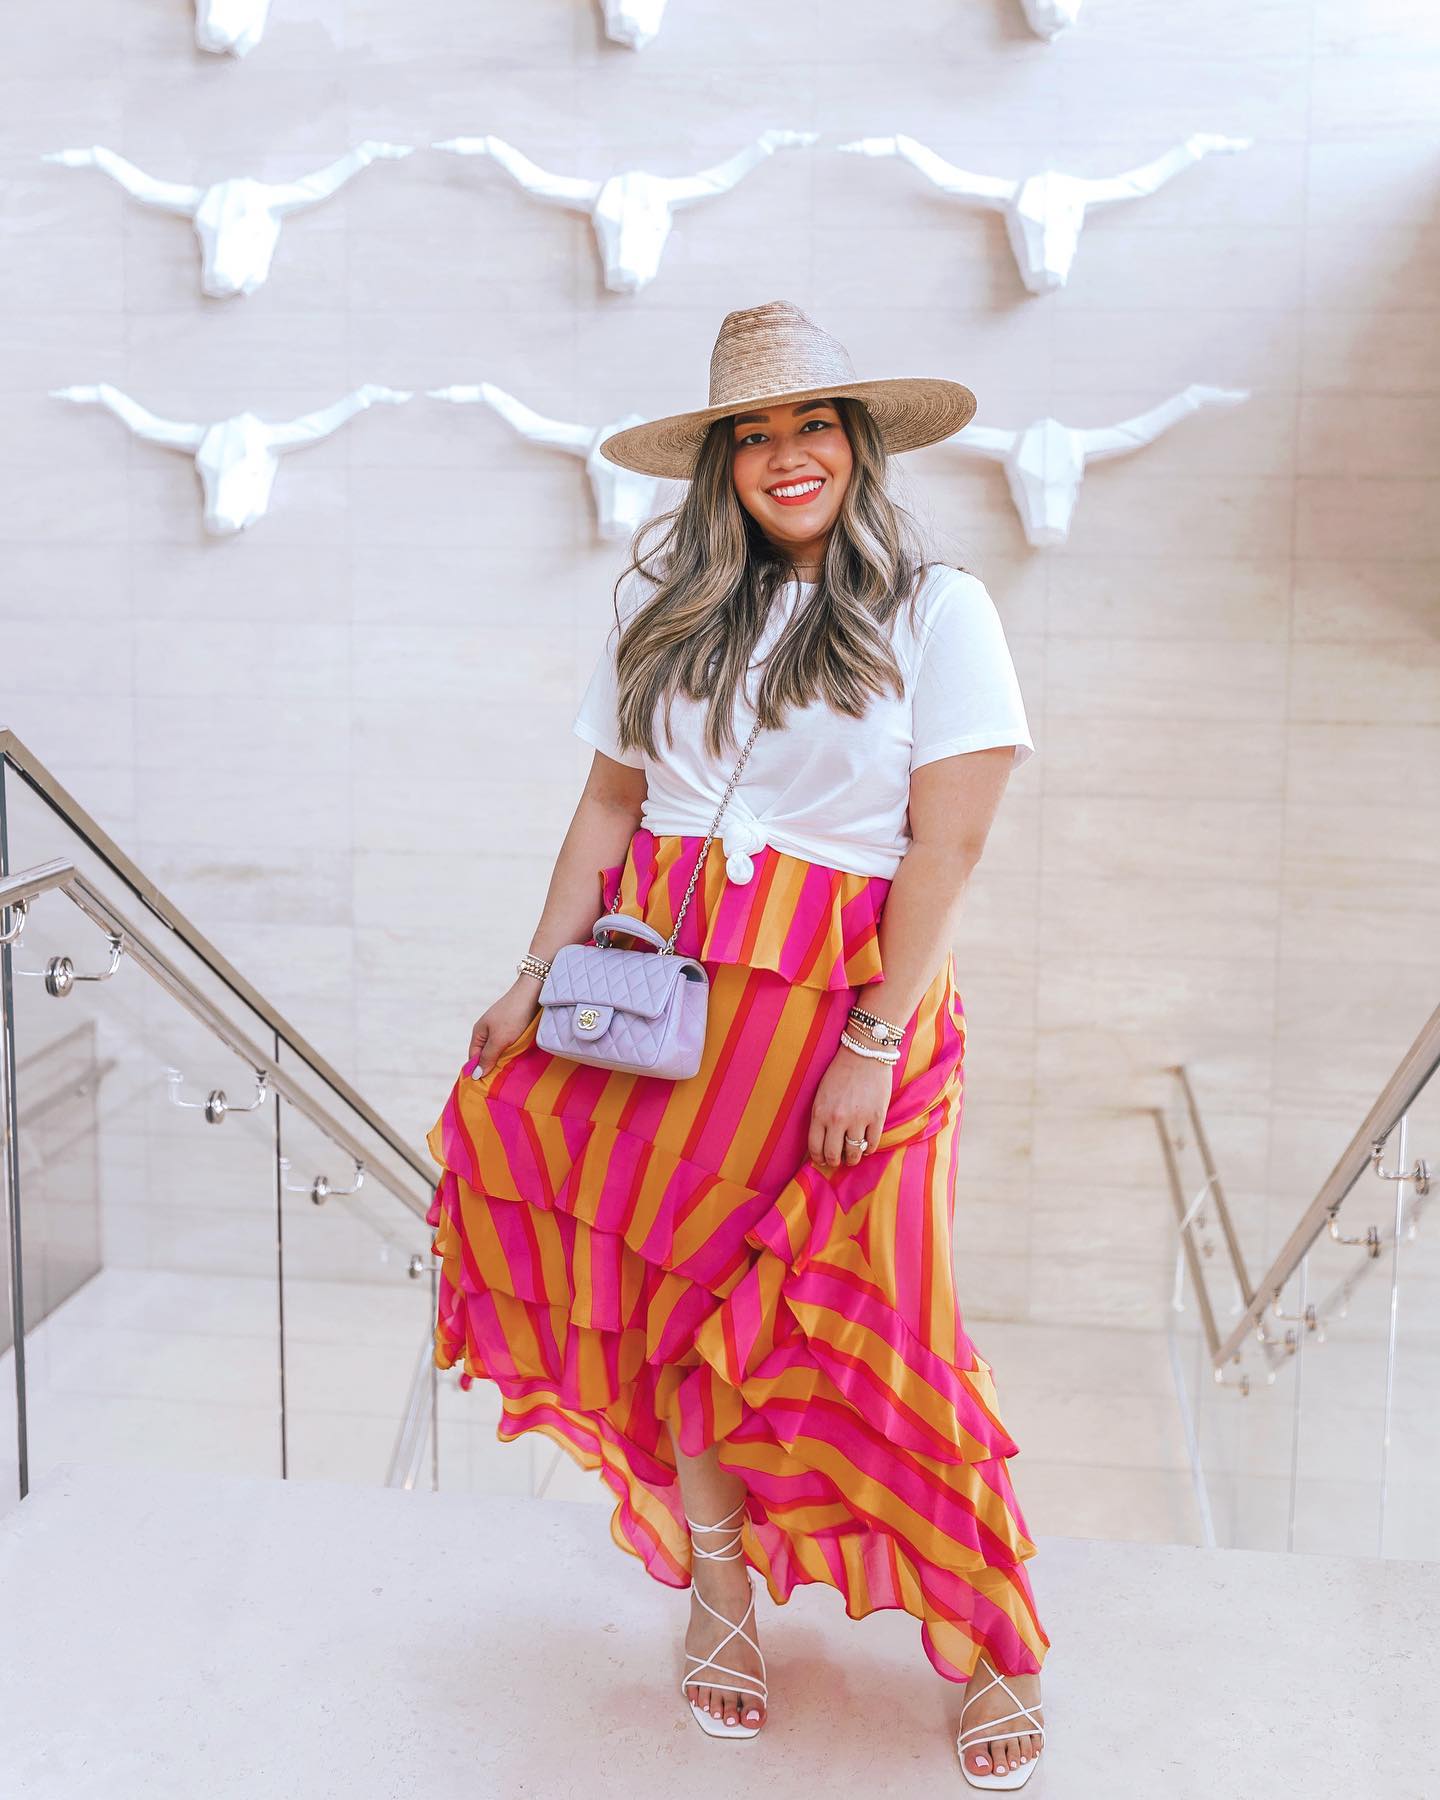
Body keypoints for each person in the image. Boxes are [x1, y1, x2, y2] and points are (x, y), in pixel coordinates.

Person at [425, 299, 1049, 1788]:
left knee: (882, 1322)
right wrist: (535, 974)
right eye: (753, 434)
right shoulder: (667, 607)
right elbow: (608, 805)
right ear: (720, 463)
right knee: (679, 1302)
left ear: (859, 445)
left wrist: (874, 1041)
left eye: (812, 424)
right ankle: (720, 1593)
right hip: (667, 1007)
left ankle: (984, 1635)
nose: (786, 455)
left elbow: (948, 851)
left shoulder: (938, 610)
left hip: (843, 1010)